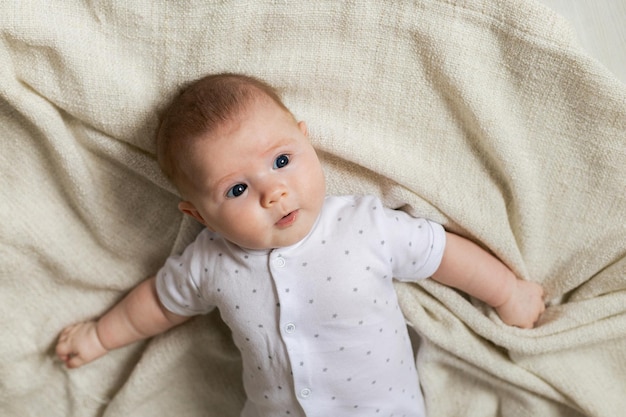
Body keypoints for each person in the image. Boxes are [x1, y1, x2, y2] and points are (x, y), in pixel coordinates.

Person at [56, 73, 545, 417]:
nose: (274, 192)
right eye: (238, 190)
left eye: (283, 160)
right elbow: (159, 304)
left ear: (306, 142)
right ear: (199, 215)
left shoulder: (363, 225)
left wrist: (507, 293)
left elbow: (441, 254)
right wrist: (101, 336)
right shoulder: (209, 261)